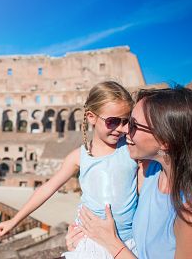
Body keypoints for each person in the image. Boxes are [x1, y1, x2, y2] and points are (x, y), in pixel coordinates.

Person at [0, 81, 139, 258]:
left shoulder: (132, 148)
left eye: (126, 121)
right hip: (90, 239)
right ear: (91, 117)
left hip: (127, 240)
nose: (121, 128)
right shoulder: (79, 156)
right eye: (113, 121)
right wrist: (14, 221)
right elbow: (47, 188)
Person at [66, 86, 192, 258]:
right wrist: (84, 238)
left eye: (133, 125)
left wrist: (111, 243)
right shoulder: (151, 173)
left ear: (164, 140)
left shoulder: (187, 211)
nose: (125, 130)